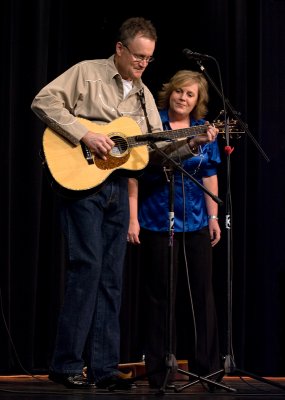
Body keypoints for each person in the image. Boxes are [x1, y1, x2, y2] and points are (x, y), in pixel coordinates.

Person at [30, 17, 165, 390]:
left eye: (148, 59)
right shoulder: (87, 73)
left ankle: (104, 368)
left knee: (111, 279)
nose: (142, 64)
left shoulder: (143, 94)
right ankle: (66, 363)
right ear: (120, 49)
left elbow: (158, 146)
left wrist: (194, 141)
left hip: (118, 186)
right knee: (86, 268)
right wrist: (85, 133)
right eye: (137, 56)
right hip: (81, 182)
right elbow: (43, 100)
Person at [128, 69, 222, 389]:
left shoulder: (204, 130)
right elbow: (134, 173)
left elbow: (209, 173)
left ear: (198, 101)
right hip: (157, 218)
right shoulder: (155, 124)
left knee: (202, 296)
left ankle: (208, 369)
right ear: (171, 92)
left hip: (195, 219)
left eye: (190, 94)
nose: (184, 98)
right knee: (159, 297)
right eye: (180, 91)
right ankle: (159, 370)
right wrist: (132, 218)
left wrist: (213, 217)